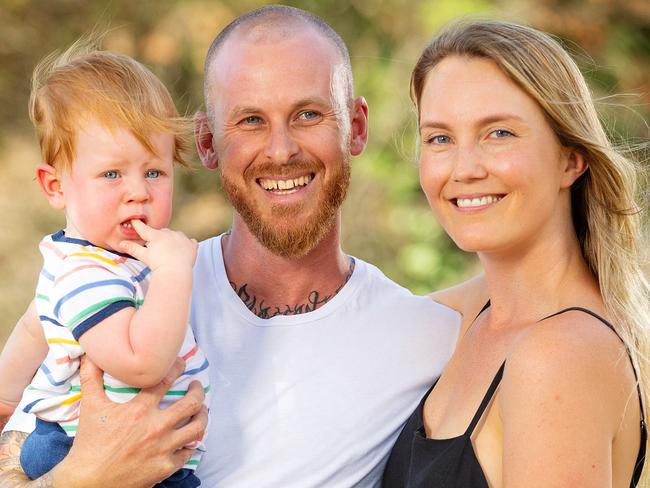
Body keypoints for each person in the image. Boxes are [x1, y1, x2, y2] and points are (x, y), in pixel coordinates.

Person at [0, 6, 464, 487]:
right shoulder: (122, 283)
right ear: (206, 141)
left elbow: (526, 307)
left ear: (357, 126)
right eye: (250, 120)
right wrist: (80, 480)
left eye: (308, 114)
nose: (281, 150)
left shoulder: (425, 338)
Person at [382, 20, 649, 487]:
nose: (464, 169)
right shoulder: (468, 312)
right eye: (440, 138)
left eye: (499, 133)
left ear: (571, 159)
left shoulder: (558, 355)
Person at [0, 43, 210, 487]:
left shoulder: (96, 261)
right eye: (112, 174)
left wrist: (4, 400)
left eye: (154, 172)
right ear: (56, 187)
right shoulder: (87, 272)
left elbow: (33, 325)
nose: (138, 192)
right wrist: (174, 275)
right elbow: (141, 364)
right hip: (87, 451)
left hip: (133, 450)